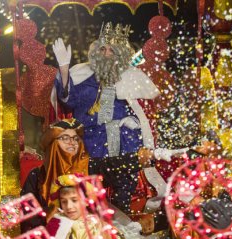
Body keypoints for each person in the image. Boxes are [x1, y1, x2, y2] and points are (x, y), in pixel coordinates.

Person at [52, 22, 187, 215]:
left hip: (124, 141)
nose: (106, 54)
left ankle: (126, 221)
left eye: (112, 51)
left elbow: (147, 110)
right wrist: (64, 68)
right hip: (91, 141)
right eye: (103, 49)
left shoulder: (133, 77)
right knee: (90, 184)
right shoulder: (84, 76)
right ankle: (91, 220)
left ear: (120, 54)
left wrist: (135, 121)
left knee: (125, 182)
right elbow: (68, 99)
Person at [28, 174, 111, 239]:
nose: (69, 206)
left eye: (74, 200)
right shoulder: (58, 225)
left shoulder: (99, 225)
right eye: (64, 202)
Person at [20, 118, 89, 233]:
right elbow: (26, 212)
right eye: (65, 138)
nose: (72, 142)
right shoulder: (37, 175)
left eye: (75, 138)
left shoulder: (90, 167)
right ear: (53, 143)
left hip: (87, 234)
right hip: (50, 235)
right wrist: (51, 213)